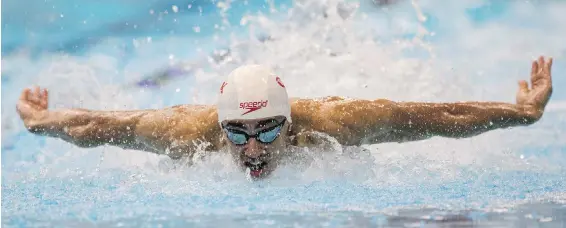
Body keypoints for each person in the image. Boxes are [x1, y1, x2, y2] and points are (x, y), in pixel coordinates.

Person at [17, 56, 554, 179]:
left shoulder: (338, 124)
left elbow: (442, 117)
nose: (253, 149)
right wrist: (42, 123)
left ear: (290, 123)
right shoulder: (186, 131)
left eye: (269, 129)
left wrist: (522, 113)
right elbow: (103, 126)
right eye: (239, 133)